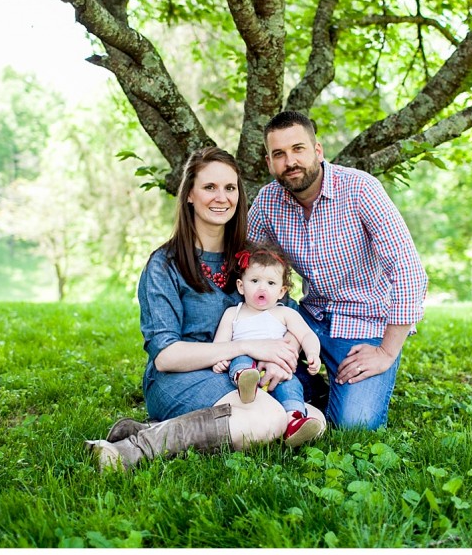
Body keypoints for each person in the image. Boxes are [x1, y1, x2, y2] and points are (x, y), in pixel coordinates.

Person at [85, 146, 325, 470]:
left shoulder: (252, 258)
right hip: (179, 377)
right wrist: (244, 346)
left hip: (241, 374)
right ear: (189, 195)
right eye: (209, 187)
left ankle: (152, 430)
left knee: (313, 418)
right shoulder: (164, 265)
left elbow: (289, 312)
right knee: (269, 419)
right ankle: (133, 450)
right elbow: (166, 355)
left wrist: (283, 356)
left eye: (229, 188)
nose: (221, 197)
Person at [247, 111, 428, 430]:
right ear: (269, 162)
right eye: (280, 154)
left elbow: (408, 271)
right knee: (252, 370)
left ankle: (317, 394)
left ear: (318, 151)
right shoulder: (267, 202)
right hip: (307, 318)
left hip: (363, 322)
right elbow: (245, 263)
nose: (290, 161)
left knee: (354, 425)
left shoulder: (360, 189)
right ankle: (312, 390)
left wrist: (386, 351)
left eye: (298, 149)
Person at [211, 241, 324, 448]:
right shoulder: (233, 313)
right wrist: (220, 361)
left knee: (291, 385)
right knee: (242, 357)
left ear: (281, 291)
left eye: (271, 283)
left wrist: (313, 353)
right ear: (241, 286)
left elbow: (307, 335)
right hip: (246, 361)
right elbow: (220, 345)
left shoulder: (284, 313)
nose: (262, 287)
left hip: (278, 371)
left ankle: (293, 421)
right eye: (255, 280)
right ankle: (245, 379)